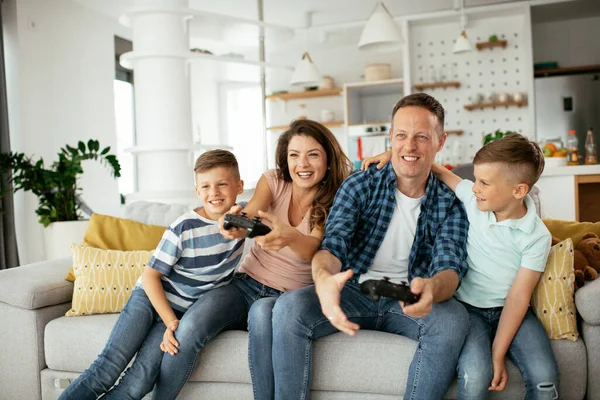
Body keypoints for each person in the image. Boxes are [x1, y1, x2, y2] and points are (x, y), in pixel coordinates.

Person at [270, 93, 470, 400]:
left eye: (421, 137)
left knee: (453, 320)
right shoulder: (360, 185)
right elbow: (333, 245)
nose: (410, 146)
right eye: (401, 135)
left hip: (406, 298)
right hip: (355, 291)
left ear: (440, 142)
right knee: (286, 309)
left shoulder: (450, 203)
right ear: (390, 137)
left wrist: (431, 288)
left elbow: (449, 267)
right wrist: (323, 280)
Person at [151, 119, 353, 400]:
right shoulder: (273, 180)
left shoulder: (337, 198)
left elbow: (313, 250)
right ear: (285, 158)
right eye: (294, 155)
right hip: (246, 282)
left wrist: (287, 236)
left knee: (261, 313)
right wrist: (234, 223)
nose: (302, 164)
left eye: (313, 154)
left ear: (328, 158)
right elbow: (251, 213)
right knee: (191, 327)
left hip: (287, 296)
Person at [364, 133, 559, 399]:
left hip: (513, 311)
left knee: (545, 379)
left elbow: (518, 297)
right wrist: (394, 158)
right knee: (475, 375)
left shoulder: (537, 237)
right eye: (476, 179)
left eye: (484, 182)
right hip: (469, 311)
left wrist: (498, 353)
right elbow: (441, 171)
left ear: (519, 191)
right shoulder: (473, 199)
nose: (475, 187)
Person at [58, 150, 246, 400]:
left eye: (222, 184)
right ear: (197, 191)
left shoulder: (243, 221)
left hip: (180, 314)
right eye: (206, 186)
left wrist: (173, 323)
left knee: (140, 382)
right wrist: (170, 322)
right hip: (149, 299)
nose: (214, 193)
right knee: (108, 367)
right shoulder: (183, 228)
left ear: (240, 186)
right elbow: (150, 277)